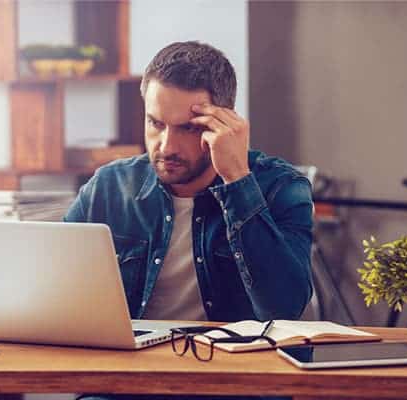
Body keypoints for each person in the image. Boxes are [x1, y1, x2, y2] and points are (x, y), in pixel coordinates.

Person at [64, 40, 312, 331]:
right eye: (155, 124)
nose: (167, 147)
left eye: (188, 128)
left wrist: (237, 180)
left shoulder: (282, 187)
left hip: (235, 367)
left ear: (225, 123)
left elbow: (285, 308)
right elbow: (53, 285)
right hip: (136, 367)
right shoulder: (109, 187)